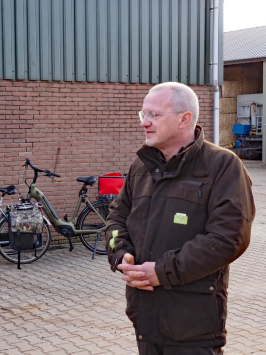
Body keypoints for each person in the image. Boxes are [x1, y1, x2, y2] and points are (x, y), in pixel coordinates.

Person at [106, 82, 255, 355]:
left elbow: (228, 238)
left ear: (184, 119)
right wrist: (120, 253)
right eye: (143, 114)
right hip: (145, 319)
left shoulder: (222, 166)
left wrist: (162, 272)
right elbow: (116, 217)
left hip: (193, 327)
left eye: (154, 115)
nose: (144, 123)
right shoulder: (141, 166)